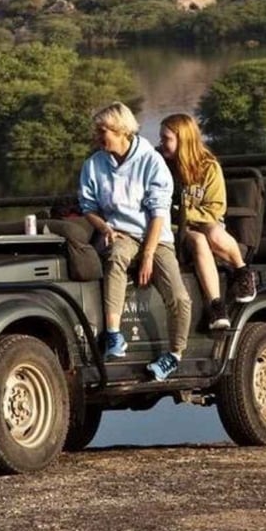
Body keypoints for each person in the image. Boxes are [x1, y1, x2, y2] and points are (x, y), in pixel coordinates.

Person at [77, 102, 191, 382]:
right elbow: (87, 207)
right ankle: (114, 336)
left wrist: (149, 255)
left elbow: (159, 213)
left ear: (120, 131)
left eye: (102, 130)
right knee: (115, 257)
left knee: (179, 297)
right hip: (121, 233)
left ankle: (174, 354)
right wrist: (103, 227)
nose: (98, 136)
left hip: (154, 235)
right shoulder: (94, 165)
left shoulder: (152, 162)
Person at [158, 114, 258, 318]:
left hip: (205, 222)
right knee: (198, 240)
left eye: (166, 138)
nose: (161, 143)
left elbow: (215, 210)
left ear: (183, 139)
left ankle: (242, 272)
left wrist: (184, 212)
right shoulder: (158, 162)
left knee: (212, 232)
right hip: (174, 226)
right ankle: (216, 306)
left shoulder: (208, 167)